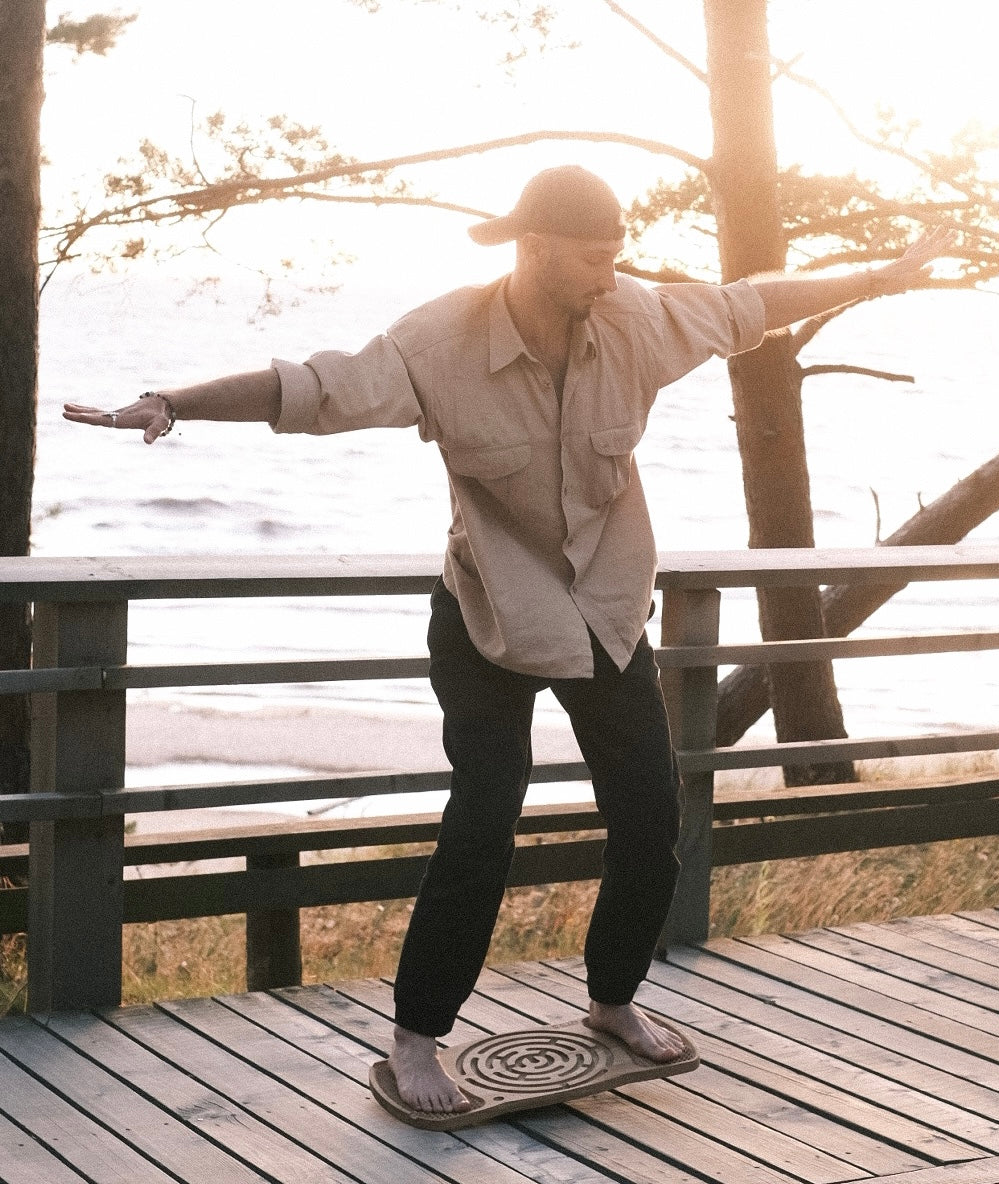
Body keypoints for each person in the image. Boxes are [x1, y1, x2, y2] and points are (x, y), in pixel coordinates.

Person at [64, 165, 953, 1115]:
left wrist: (881, 276)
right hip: (488, 615)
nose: (611, 277)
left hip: (605, 615)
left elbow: (751, 304)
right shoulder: (438, 341)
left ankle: (612, 1004)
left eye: (618, 258)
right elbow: (315, 390)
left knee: (652, 824)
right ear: (533, 251)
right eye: (592, 260)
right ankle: (413, 1042)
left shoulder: (638, 321)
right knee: (485, 822)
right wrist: (176, 401)